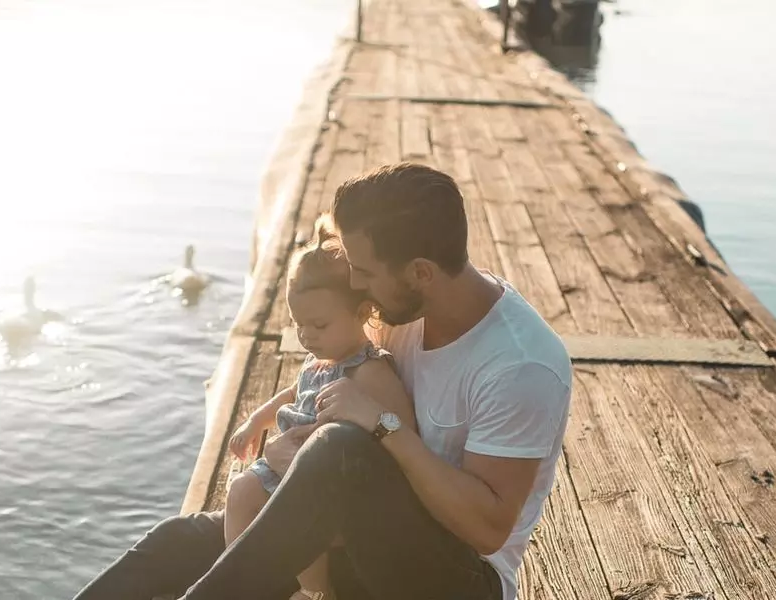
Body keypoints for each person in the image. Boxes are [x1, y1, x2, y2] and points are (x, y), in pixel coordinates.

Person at [71, 162, 572, 600]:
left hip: (452, 577)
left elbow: (486, 530)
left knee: (339, 451)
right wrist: (292, 452)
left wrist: (384, 427)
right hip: (350, 535)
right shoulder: (401, 310)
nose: (354, 285)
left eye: (364, 273)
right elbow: (328, 379)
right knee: (178, 542)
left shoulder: (520, 366)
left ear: (420, 272)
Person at [223, 215, 416, 599]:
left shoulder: (369, 370)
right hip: (289, 463)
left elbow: (402, 428)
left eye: (319, 325)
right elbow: (292, 394)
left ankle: (317, 591)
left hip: (329, 478)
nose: (307, 336)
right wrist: (256, 422)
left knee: (301, 518)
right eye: (299, 325)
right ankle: (241, 578)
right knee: (240, 491)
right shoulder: (319, 363)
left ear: (362, 313)